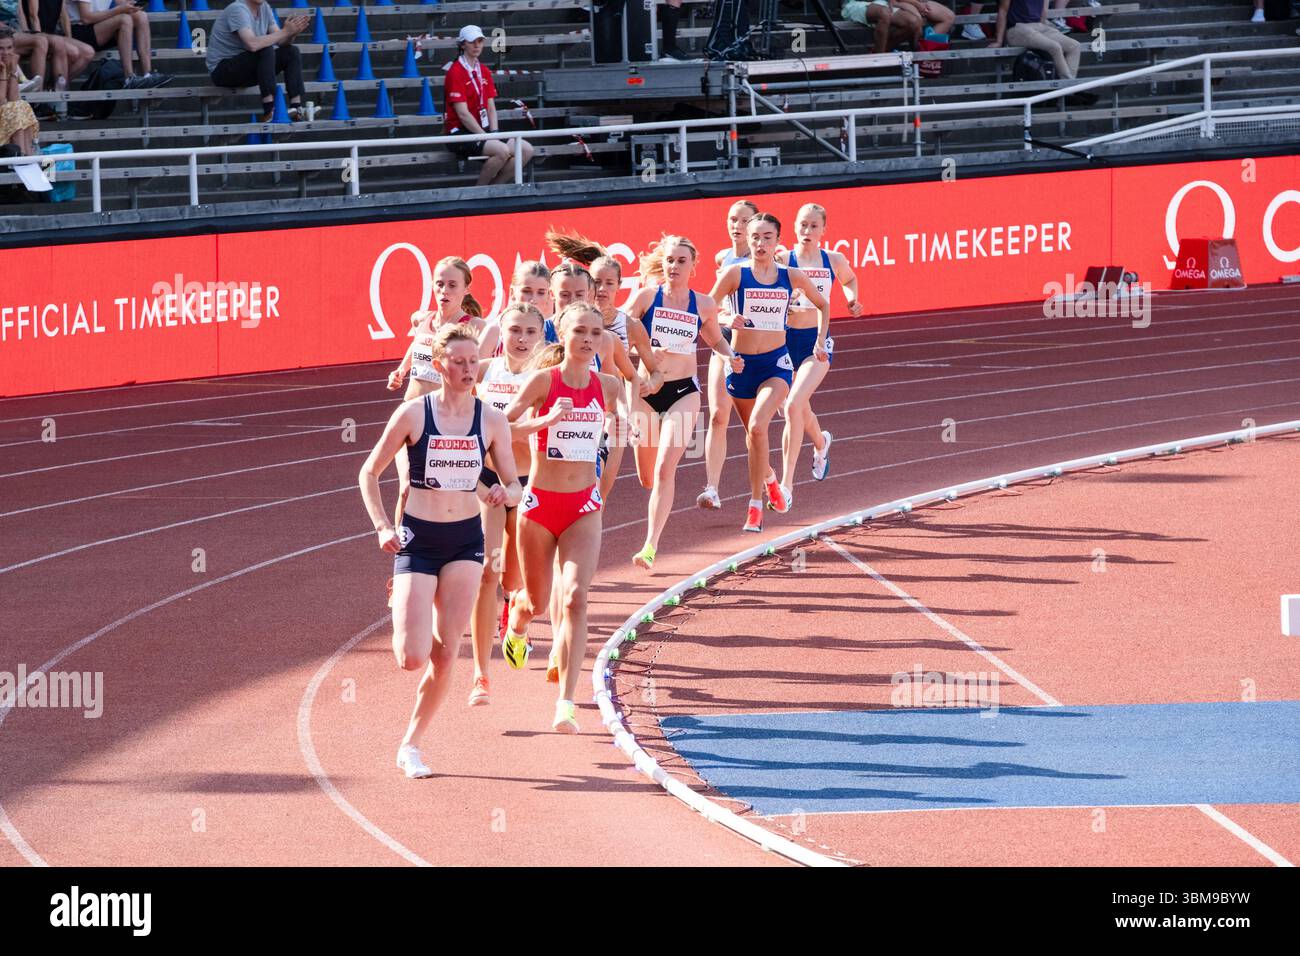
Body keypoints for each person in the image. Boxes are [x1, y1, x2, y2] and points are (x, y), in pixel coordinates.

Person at [358, 322, 522, 778]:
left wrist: (503, 494)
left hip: (466, 540)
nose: (469, 369)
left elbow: (512, 484)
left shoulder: (491, 419)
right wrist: (380, 526)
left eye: (474, 362)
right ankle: (407, 597)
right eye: (459, 361)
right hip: (418, 539)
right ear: (439, 363)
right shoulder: (413, 414)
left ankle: (410, 744)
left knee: (448, 654)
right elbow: (368, 473)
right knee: (411, 658)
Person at [500, 303, 621, 733]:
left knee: (574, 597)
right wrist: (545, 422)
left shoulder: (608, 386)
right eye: (580, 332)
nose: (588, 339)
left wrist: (605, 482)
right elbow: (501, 426)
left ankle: (565, 701)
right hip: (539, 506)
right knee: (537, 601)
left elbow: (622, 433)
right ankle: (517, 616)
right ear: (563, 335)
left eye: (596, 332)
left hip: (583, 506)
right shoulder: (542, 381)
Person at [708, 212, 828, 533]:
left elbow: (823, 304)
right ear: (747, 240)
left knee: (759, 428)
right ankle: (771, 480)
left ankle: (755, 506)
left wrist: (820, 339)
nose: (760, 244)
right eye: (755, 237)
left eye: (767, 238)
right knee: (752, 436)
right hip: (741, 366)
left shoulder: (791, 276)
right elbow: (705, 309)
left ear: (777, 241)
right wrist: (724, 321)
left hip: (776, 364)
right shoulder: (735, 274)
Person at [624, 235, 739, 569]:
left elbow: (715, 339)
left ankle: (649, 546)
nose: (674, 266)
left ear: (693, 264)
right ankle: (651, 529)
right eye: (669, 260)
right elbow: (618, 340)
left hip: (683, 393)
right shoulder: (647, 297)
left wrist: (731, 357)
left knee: (664, 468)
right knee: (647, 477)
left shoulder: (702, 304)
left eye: (681, 261)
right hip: (647, 392)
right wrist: (643, 352)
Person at [466, 302, 546, 707]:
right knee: (485, 571)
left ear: (542, 336)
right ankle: (481, 674)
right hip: (488, 481)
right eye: (515, 329)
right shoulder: (483, 370)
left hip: (529, 483)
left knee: (514, 580)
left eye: (531, 332)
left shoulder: (545, 377)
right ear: (501, 331)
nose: (521, 339)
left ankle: (514, 614)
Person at [386, 257, 493, 534]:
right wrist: (400, 370)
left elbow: (482, 372)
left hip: (445, 424)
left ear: (466, 289)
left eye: (452, 285)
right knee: (407, 487)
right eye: (440, 284)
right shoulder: (424, 320)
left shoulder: (476, 327)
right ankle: (403, 558)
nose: (444, 290)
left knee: (449, 495)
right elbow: (416, 345)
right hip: (410, 415)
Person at [777, 203, 860, 487]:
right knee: (797, 407)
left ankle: (786, 485)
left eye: (813, 226)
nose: (807, 231)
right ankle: (821, 442)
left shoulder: (833, 259)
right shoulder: (782, 259)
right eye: (802, 224)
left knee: (793, 405)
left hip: (817, 342)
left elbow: (849, 278)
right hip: (784, 342)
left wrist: (851, 299)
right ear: (794, 226)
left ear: (824, 229)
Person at [697, 199, 757, 511]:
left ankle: (767, 482)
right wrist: (723, 320)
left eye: (744, 221)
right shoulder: (723, 258)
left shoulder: (772, 259)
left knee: (753, 425)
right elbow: (712, 305)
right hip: (724, 343)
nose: (737, 226)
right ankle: (712, 488)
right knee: (719, 415)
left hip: (756, 349)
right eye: (732, 219)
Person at [438, 24, 533, 186]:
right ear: (462, 45)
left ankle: (496, 188)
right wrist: (485, 136)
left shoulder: (483, 70)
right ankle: (479, 191)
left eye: (480, 41)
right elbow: (462, 114)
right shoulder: (455, 72)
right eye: (472, 41)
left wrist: (494, 132)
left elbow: (490, 107)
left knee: (526, 149)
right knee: (502, 151)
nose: (477, 45)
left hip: (483, 130)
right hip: (459, 133)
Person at [206, 0, 310, 122]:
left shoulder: (265, 8)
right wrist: (285, 32)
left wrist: (291, 34)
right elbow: (252, 44)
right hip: (222, 71)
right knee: (265, 48)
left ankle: (296, 108)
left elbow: (281, 42)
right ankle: (269, 110)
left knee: (291, 51)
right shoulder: (238, 9)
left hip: (247, 68)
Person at [67, 0, 168, 88]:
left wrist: (131, 5)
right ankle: (129, 78)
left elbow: (120, 2)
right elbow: (86, 18)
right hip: (80, 32)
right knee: (124, 19)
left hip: (100, 27)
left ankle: (148, 74)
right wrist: (119, 10)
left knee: (141, 16)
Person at [992, 0, 1082, 82]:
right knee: (1054, 46)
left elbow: (1044, 12)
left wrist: (1044, 29)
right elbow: (1003, 11)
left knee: (1074, 46)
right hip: (1016, 28)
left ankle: (1069, 86)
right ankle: (1068, 87)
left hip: (1038, 26)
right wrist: (999, 41)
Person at [0, 25, 38, 155]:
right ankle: (25, 157)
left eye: (9, 48)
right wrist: (4, 72)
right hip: (3, 115)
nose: (5, 52)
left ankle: (23, 155)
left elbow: (13, 99)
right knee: (15, 109)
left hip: (6, 118)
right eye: (1, 48)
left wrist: (13, 69)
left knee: (20, 105)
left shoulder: (10, 63)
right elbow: (1, 100)